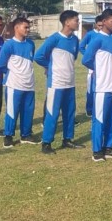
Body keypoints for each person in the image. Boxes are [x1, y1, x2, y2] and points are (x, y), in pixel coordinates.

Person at [33, 10, 83, 154]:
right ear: (67, 22)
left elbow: (72, 57)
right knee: (52, 113)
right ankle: (47, 143)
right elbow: (39, 56)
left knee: (69, 113)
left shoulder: (75, 40)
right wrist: (49, 67)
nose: (78, 23)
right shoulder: (54, 39)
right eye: (76, 20)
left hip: (70, 82)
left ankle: (68, 139)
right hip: (56, 83)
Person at [81, 8, 112, 161]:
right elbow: (86, 59)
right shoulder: (97, 39)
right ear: (104, 21)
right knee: (99, 119)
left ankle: (109, 147)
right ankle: (97, 150)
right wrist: (99, 69)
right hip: (102, 87)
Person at [0, 17, 37, 148]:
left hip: (29, 84)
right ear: (16, 28)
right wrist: (12, 74)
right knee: (12, 111)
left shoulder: (31, 44)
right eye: (25, 27)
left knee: (28, 111)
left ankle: (26, 135)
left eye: (28, 27)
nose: (28, 30)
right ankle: (8, 136)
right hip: (14, 85)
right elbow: (0, 64)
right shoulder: (9, 45)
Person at [79, 15, 104, 116]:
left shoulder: (106, 35)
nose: (101, 27)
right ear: (95, 25)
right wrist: (88, 56)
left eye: (103, 25)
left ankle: (99, 107)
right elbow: (81, 46)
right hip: (92, 65)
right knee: (91, 88)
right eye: (99, 25)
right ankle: (89, 109)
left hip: (103, 65)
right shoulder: (90, 34)